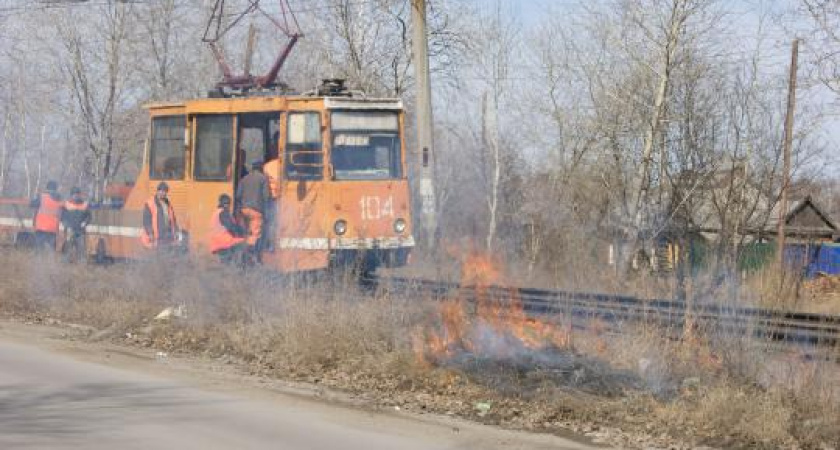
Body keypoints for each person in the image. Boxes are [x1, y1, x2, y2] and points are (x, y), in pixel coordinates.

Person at [236, 160, 270, 262]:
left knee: (247, 233)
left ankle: (242, 253)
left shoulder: (244, 179)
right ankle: (248, 257)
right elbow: (266, 196)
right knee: (254, 235)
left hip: (243, 210)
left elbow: (238, 195)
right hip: (256, 211)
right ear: (261, 168)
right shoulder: (263, 179)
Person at [208, 194, 246, 265]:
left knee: (225, 263)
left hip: (216, 242)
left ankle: (232, 267)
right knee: (244, 243)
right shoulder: (223, 213)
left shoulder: (217, 212)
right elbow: (231, 226)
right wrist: (241, 232)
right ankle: (241, 267)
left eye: (228, 203)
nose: (228, 205)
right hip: (224, 241)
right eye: (227, 203)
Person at [141, 181, 179, 250]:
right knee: (156, 258)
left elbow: (173, 220)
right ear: (157, 191)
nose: (163, 193)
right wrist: (150, 234)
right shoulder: (150, 203)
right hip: (155, 239)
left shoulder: (168, 204)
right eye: (161, 191)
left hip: (166, 238)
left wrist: (176, 231)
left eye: (165, 191)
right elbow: (146, 221)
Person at [31, 180, 63, 252]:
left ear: (47, 187)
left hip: (41, 227)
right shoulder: (59, 198)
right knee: (51, 249)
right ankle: (50, 263)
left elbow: (32, 204)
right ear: (56, 188)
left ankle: (39, 262)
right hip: (53, 228)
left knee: (39, 249)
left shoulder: (42, 196)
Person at [61, 187, 91, 261]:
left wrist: (85, 223)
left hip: (80, 231)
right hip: (69, 231)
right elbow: (62, 216)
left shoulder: (85, 204)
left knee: (81, 249)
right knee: (68, 248)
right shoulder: (66, 204)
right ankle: (65, 263)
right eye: (74, 194)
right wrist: (66, 225)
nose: (76, 196)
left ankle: (81, 266)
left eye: (77, 194)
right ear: (71, 195)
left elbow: (89, 216)